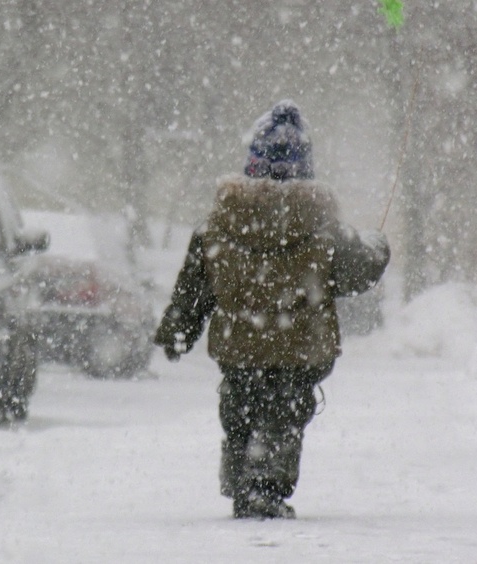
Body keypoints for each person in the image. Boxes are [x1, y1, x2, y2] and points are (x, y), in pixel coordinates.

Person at [154, 100, 390, 519]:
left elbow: (195, 287)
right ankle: (264, 486)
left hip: (238, 345)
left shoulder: (218, 225)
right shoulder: (323, 227)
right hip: (301, 348)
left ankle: (241, 477)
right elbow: (361, 271)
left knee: (240, 405)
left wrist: (179, 329)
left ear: (252, 165)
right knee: (285, 412)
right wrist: (378, 244)